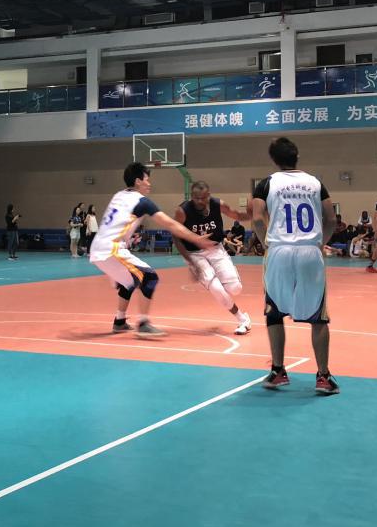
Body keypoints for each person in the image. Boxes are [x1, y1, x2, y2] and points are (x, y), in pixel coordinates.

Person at [251, 136, 339, 396]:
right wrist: (320, 243)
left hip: (279, 250)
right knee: (319, 317)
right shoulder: (315, 183)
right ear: (297, 156)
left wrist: (266, 244)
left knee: (274, 312)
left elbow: (257, 219)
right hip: (310, 250)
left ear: (274, 159)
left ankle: (278, 371)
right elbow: (331, 219)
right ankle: (323, 376)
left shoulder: (266, 184)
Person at [87, 164, 212, 339]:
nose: (149, 183)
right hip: (111, 249)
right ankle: (143, 324)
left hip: (99, 248)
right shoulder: (141, 202)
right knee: (149, 277)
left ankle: (119, 321)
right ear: (138, 181)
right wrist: (196, 238)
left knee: (129, 282)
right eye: (147, 179)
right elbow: (170, 224)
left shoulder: (119, 195)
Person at [174, 181, 252, 335]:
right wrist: (190, 262)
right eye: (196, 198)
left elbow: (236, 215)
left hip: (215, 248)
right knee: (216, 289)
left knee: (235, 289)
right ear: (191, 196)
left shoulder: (218, 204)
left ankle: (225, 280)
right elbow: (175, 237)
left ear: (208, 196)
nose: (199, 201)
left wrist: (251, 214)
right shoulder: (182, 211)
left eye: (203, 198)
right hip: (194, 253)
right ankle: (243, 319)